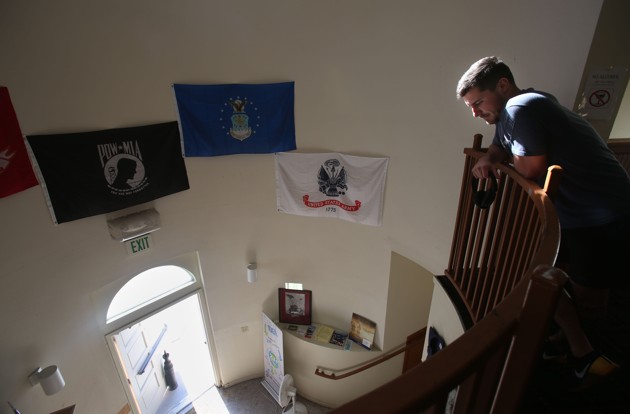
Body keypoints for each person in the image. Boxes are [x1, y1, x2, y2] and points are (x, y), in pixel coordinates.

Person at [456, 56, 630, 388]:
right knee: (547, 276)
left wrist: (502, 163)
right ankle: (575, 346)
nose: (476, 114)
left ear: (503, 85)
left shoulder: (522, 108)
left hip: (604, 215)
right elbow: (500, 143)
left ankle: (587, 357)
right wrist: (493, 158)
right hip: (581, 216)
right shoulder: (516, 110)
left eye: (478, 102)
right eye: (470, 107)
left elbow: (530, 170)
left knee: (590, 295)